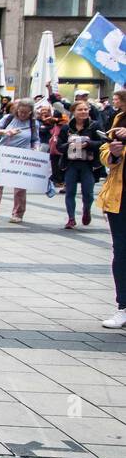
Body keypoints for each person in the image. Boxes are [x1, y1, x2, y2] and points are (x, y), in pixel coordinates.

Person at [0, 98, 40, 224]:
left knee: (20, 186)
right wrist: (5, 131)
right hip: (4, 154)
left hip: (22, 156)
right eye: (21, 111)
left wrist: (36, 148)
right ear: (17, 109)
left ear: (31, 112)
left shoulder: (33, 123)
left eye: (26, 113)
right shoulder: (8, 118)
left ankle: (18, 213)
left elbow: (35, 139)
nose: (23, 115)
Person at [57, 100, 105, 229]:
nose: (84, 112)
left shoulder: (95, 126)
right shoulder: (67, 127)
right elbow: (59, 147)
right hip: (71, 164)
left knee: (88, 193)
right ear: (73, 112)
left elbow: (103, 142)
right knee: (70, 192)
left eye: (86, 109)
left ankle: (86, 210)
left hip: (88, 164)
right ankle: (71, 219)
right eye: (80, 109)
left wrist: (88, 144)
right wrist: (70, 144)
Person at [99, 121, 126, 327]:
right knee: (122, 252)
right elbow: (105, 154)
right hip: (120, 199)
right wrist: (114, 153)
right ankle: (123, 307)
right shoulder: (120, 120)